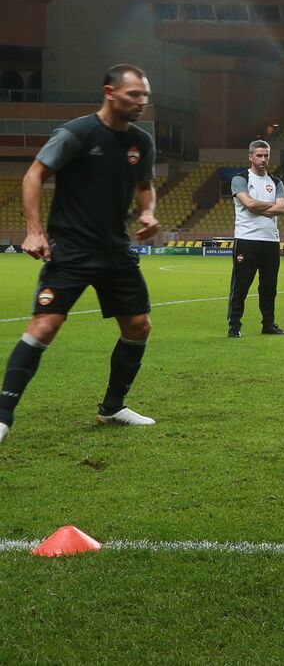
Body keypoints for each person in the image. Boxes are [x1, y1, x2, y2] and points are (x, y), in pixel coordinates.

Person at [0, 65, 160, 446]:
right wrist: (35, 231)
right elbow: (34, 175)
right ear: (109, 92)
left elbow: (144, 185)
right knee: (44, 326)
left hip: (115, 250)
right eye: (134, 95)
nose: (141, 103)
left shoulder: (141, 142)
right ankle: (3, 417)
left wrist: (149, 211)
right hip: (70, 249)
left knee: (138, 326)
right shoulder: (76, 133)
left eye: (144, 97)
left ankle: (113, 406)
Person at [227, 139, 284, 337]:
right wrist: (268, 207)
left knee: (269, 287)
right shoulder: (240, 179)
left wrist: (256, 205)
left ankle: (268, 325)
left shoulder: (276, 182)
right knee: (241, 285)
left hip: (270, 241)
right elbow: (249, 204)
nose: (263, 159)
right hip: (246, 240)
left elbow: (283, 208)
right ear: (250, 157)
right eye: (259, 155)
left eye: (266, 155)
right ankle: (234, 327)